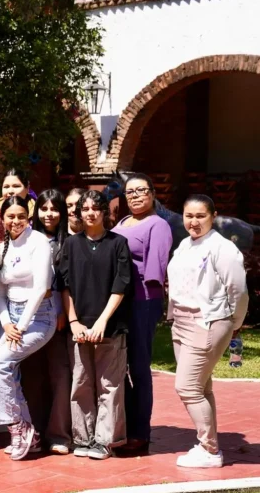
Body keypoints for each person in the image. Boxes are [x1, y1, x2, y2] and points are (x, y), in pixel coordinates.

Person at [167, 195, 248, 469]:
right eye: (189, 215)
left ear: (213, 216)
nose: (194, 221)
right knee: (202, 386)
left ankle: (209, 450)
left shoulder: (222, 248)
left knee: (187, 387)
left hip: (208, 322)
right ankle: (207, 444)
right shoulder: (185, 245)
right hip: (182, 321)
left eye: (200, 216)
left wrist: (235, 322)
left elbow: (238, 290)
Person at [60, 190, 132, 461]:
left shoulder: (118, 244)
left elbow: (121, 284)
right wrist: (74, 322)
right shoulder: (71, 244)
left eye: (96, 208)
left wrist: (103, 320)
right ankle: (83, 437)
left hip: (109, 328)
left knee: (109, 386)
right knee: (81, 383)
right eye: (85, 208)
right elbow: (63, 285)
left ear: (105, 212)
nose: (90, 213)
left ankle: (105, 441)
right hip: (79, 327)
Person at [0, 195, 55, 461]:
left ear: (28, 217)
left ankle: (18, 427)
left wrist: (22, 326)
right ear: (3, 218)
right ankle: (30, 435)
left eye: (20, 216)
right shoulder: (3, 246)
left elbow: (40, 288)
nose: (15, 221)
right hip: (11, 319)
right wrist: (6, 324)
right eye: (10, 216)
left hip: (39, 317)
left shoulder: (38, 242)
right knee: (9, 372)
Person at [111, 174, 173, 456]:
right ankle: (123, 424)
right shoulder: (122, 223)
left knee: (138, 367)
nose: (135, 196)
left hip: (142, 302)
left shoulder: (158, 225)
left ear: (152, 193)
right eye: (130, 192)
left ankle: (140, 432)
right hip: (118, 301)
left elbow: (155, 271)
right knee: (117, 366)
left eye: (141, 191)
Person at [31, 190, 72, 455]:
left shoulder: (69, 242)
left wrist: (62, 312)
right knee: (32, 376)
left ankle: (58, 434)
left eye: (54, 209)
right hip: (30, 317)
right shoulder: (27, 240)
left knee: (60, 375)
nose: (49, 214)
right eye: (44, 209)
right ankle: (33, 431)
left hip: (58, 316)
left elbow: (65, 283)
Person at [0, 168, 36, 240]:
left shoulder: (38, 211)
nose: (10, 191)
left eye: (16, 186)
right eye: (6, 187)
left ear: (27, 188)